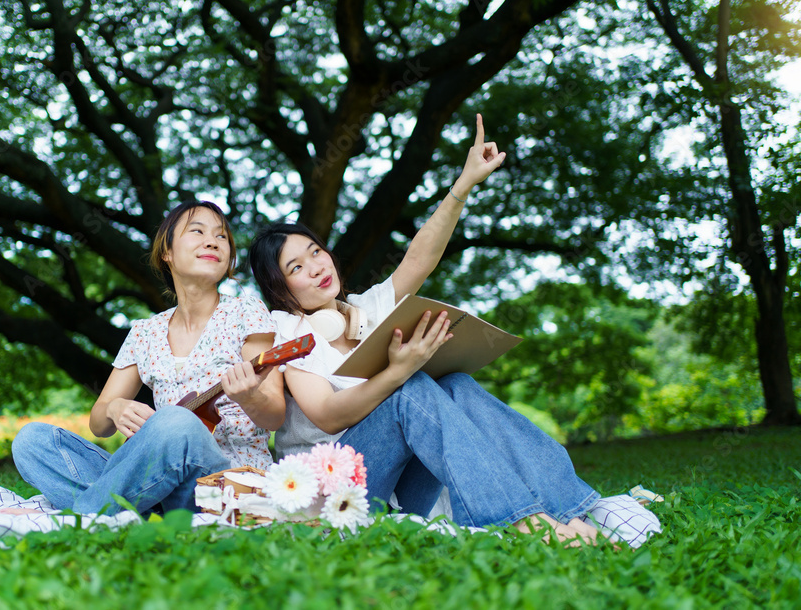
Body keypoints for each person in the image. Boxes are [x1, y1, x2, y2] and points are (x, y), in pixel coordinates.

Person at [249, 115, 604, 544]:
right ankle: (526, 525)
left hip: (404, 485)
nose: (317, 267)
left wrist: (464, 184)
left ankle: (572, 512)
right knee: (409, 389)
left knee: (456, 383)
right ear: (280, 289)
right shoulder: (287, 329)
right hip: (335, 495)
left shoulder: (364, 308)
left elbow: (419, 259)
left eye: (316, 252)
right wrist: (398, 372)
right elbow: (326, 415)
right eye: (297, 268)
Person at [13, 200, 284, 516]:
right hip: (157, 484)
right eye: (197, 231)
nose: (213, 241)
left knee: (175, 420)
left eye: (221, 236)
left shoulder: (246, 311)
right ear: (166, 253)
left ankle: (84, 516)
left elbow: (275, 415)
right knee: (31, 441)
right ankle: (123, 510)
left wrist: (250, 396)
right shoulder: (145, 332)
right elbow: (98, 423)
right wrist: (115, 408)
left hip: (223, 485)